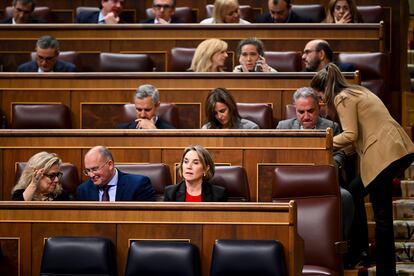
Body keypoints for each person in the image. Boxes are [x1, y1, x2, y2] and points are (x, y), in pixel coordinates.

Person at [310, 63, 414, 275]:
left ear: (325, 90)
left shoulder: (342, 98)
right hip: (393, 148)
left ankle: (379, 265)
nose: (320, 100)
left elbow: (350, 135)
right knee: (353, 194)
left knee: (379, 213)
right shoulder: (357, 90)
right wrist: (331, 153)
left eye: (319, 95)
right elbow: (353, 141)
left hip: (383, 154)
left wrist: (320, 142)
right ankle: (363, 253)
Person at [276, 87, 354, 241]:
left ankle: (340, 245)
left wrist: (329, 164)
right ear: (295, 110)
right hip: (291, 180)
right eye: (300, 112)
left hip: (321, 180)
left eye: (310, 111)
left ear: (319, 108)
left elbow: (339, 154)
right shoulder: (283, 127)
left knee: (345, 198)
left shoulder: (331, 127)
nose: (305, 117)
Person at [76, 146, 155, 201]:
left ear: (110, 165)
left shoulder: (138, 185)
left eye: (95, 169)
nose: (91, 175)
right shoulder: (83, 190)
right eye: (88, 170)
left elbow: (144, 218)